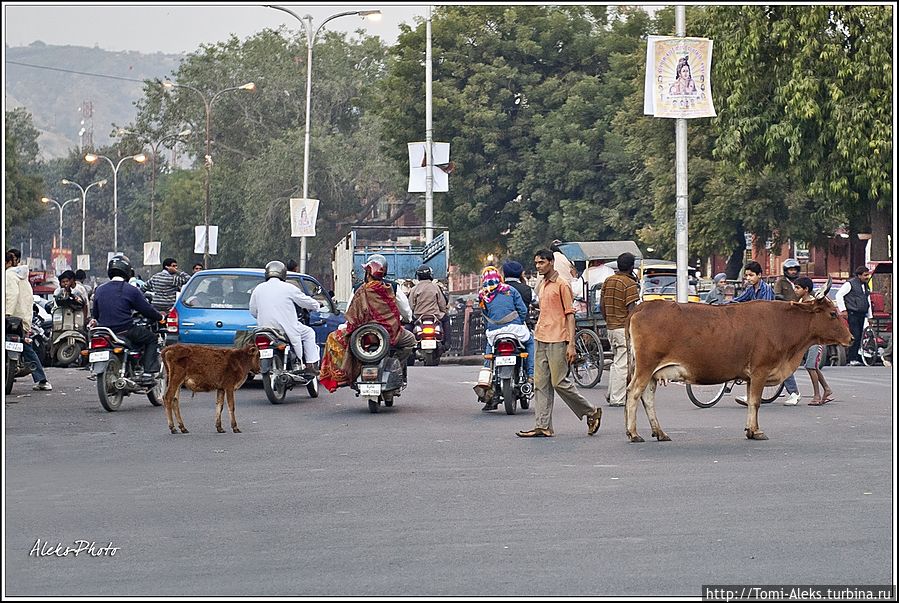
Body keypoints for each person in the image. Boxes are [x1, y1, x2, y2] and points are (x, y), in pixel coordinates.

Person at [516, 249, 602, 438]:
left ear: (551, 262)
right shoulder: (543, 285)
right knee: (540, 383)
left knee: (559, 382)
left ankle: (591, 411)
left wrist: (571, 344)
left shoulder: (562, 285)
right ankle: (542, 425)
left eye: (541, 263)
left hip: (558, 338)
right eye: (536, 263)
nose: (538, 266)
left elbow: (570, 316)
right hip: (541, 336)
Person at [732, 261, 800, 405]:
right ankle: (751, 394)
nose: (748, 278)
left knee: (777, 361)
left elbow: (766, 313)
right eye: (746, 276)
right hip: (757, 330)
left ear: (759, 275)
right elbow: (740, 300)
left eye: (751, 275)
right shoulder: (751, 289)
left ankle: (794, 392)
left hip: (771, 330)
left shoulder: (766, 290)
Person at [91, 255, 165, 385]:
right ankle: (148, 373)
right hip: (125, 330)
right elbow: (146, 309)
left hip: (104, 332)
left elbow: (95, 314)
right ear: (127, 271)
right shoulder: (131, 290)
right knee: (152, 339)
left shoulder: (99, 290)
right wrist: (160, 317)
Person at [344, 254, 417, 374]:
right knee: (411, 340)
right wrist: (407, 319)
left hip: (363, 335)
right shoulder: (392, 287)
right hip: (390, 334)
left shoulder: (358, 289)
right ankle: (394, 366)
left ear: (367, 272)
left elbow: (349, 314)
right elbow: (406, 313)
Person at [475, 266, 534, 411]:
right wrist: (519, 322)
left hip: (495, 333)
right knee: (530, 342)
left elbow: (485, 314)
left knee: (489, 351)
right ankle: (531, 375)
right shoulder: (510, 290)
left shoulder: (483, 295)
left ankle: (486, 376)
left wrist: (491, 327)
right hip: (515, 330)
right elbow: (522, 310)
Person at [249, 260, 321, 375]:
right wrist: (317, 305)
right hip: (286, 329)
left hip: (264, 329)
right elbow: (305, 301)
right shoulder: (289, 288)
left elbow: (253, 311)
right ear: (283, 273)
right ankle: (309, 365)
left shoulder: (258, 289)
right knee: (309, 332)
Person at [599, 252, 641, 407]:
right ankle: (617, 398)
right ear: (631, 267)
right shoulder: (629, 284)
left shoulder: (608, 281)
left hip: (610, 327)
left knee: (617, 361)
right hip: (623, 328)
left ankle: (611, 394)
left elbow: (602, 305)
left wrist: (608, 320)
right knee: (623, 364)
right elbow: (632, 310)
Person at [6, 251, 52, 391]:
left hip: (10, 318)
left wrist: (7, 313)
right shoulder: (23, 277)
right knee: (26, 348)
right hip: (22, 319)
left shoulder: (8, 275)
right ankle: (41, 380)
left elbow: (12, 295)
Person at [793, 277, 835, 405]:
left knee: (811, 366)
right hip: (807, 340)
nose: (795, 290)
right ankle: (827, 389)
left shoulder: (814, 303)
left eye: (797, 288)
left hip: (816, 340)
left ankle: (817, 395)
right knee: (813, 367)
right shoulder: (802, 301)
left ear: (806, 290)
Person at [835, 265, 873, 366]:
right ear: (859, 275)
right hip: (853, 313)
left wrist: (870, 316)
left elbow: (867, 300)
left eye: (867, 275)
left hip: (861, 314)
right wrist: (843, 310)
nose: (867, 277)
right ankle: (851, 358)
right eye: (865, 275)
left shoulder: (865, 285)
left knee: (860, 336)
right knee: (854, 335)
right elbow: (839, 295)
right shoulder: (850, 284)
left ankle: (855, 357)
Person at [408, 264, 449, 347]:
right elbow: (442, 304)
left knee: (408, 326)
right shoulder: (436, 287)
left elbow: (410, 306)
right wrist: (444, 311)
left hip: (418, 316)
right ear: (430, 275)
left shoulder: (414, 289)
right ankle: (447, 343)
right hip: (436, 315)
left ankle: (410, 346)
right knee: (446, 320)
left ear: (418, 276)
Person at [502, 261, 534, 329]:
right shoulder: (527, 289)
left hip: (501, 326)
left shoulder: (498, 289)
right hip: (522, 326)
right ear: (521, 274)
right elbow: (536, 302)